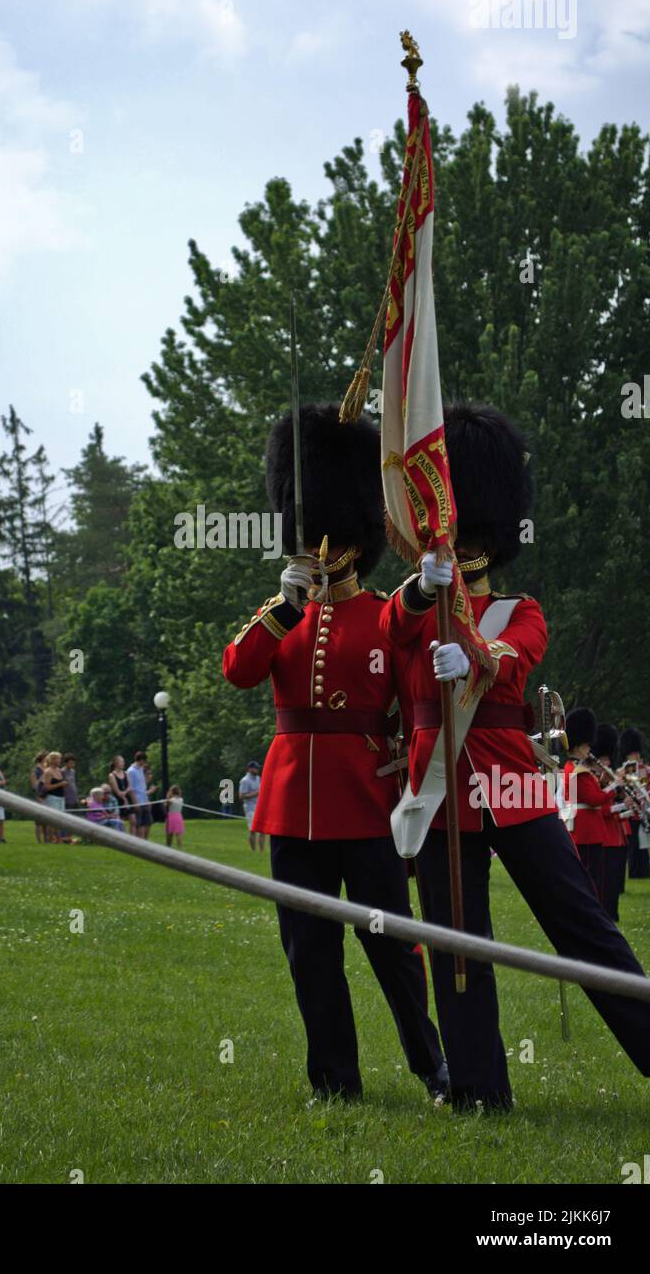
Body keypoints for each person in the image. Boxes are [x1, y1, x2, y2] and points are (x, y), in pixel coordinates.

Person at [382, 401, 650, 1111]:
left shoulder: (519, 609)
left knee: (580, 924)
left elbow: (511, 659)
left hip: (509, 787)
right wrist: (421, 591)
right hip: (438, 787)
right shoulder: (412, 604)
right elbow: (386, 634)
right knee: (455, 943)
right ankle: (478, 1087)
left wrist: (468, 647)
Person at [223, 404, 447, 1105]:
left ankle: (429, 1065)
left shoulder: (377, 609)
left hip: (364, 804)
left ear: (354, 535)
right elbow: (237, 669)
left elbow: (406, 616)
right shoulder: (283, 613)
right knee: (309, 955)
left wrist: (428, 584)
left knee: (393, 950)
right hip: (293, 808)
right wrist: (282, 610)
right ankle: (334, 1080)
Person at [565, 708, 609, 901]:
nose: (590, 750)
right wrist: (614, 786)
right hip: (587, 830)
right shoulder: (578, 771)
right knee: (592, 877)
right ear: (580, 746)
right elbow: (594, 799)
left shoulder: (576, 768)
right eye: (587, 746)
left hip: (586, 828)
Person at [593, 722, 629, 921]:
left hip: (617, 836)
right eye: (604, 759)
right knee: (606, 881)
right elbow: (603, 809)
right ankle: (606, 913)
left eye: (608, 759)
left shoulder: (608, 778)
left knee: (615, 880)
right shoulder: (595, 780)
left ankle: (612, 913)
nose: (607, 762)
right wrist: (622, 805)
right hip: (605, 835)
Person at [620, 729, 650, 879]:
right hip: (630, 811)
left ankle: (644, 872)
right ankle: (634, 873)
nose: (634, 756)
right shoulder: (623, 771)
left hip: (644, 810)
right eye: (632, 753)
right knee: (633, 844)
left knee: (644, 843)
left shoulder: (648, 771)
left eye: (636, 753)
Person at [238, 760, 263, 851]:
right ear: (250, 769)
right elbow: (242, 796)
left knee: (262, 830)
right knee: (253, 830)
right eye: (255, 768)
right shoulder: (245, 780)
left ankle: (261, 851)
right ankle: (253, 850)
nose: (257, 770)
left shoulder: (258, 778)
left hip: (259, 806)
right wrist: (256, 793)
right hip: (250, 808)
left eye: (257, 768)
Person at [127, 752, 153, 839]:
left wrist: (147, 800)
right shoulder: (130, 771)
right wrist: (135, 803)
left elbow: (142, 786)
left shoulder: (141, 769)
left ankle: (145, 843)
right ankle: (139, 845)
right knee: (140, 825)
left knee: (148, 823)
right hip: (137, 801)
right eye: (144, 761)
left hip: (144, 800)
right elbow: (131, 789)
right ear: (141, 760)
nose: (145, 763)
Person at [42, 752, 67, 839]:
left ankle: (59, 839)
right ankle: (50, 838)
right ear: (52, 760)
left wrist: (63, 784)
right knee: (52, 820)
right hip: (52, 798)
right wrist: (60, 784)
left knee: (60, 820)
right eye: (58, 759)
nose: (60, 760)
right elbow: (47, 787)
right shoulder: (48, 772)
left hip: (61, 797)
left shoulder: (59, 770)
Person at [108, 755, 133, 830]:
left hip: (127, 799)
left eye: (123, 762)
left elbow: (129, 786)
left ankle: (132, 839)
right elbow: (117, 790)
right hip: (117, 800)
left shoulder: (126, 773)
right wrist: (124, 799)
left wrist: (125, 794)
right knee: (120, 822)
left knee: (133, 820)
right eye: (121, 762)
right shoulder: (112, 775)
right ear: (116, 763)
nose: (123, 763)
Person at [31, 751, 48, 843]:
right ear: (42, 758)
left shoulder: (48, 769)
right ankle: (39, 841)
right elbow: (34, 786)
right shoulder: (35, 771)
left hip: (47, 796)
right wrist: (42, 777)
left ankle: (46, 840)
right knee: (39, 821)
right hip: (39, 797)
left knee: (46, 821)